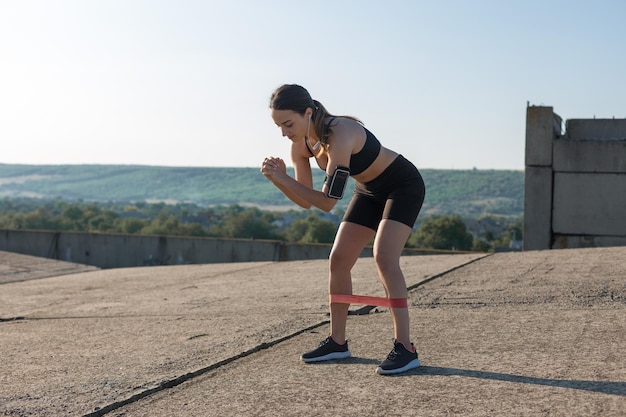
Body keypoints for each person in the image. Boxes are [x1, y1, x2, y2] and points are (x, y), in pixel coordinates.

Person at [260, 84, 426, 375]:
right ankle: (338, 342)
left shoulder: (340, 133)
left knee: (384, 258)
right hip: (369, 190)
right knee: (338, 259)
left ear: (308, 112)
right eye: (278, 126)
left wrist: (284, 179)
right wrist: (279, 180)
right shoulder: (301, 145)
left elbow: (327, 203)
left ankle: (406, 348)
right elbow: (305, 201)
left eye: (288, 124)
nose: (284, 132)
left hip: (402, 186)